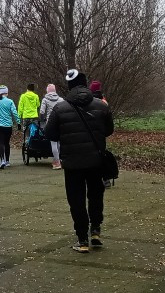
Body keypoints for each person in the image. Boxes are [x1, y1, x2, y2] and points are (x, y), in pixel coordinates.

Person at [45, 69, 115, 253]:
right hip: (96, 160)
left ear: (69, 86)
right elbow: (108, 130)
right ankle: (96, 230)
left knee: (76, 200)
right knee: (96, 195)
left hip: (72, 162)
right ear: (85, 83)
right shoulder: (102, 106)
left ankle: (82, 239)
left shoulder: (60, 108)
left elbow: (50, 134)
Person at [0, 84, 20, 169]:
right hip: (8, 126)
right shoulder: (10, 101)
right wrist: (18, 122)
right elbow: (14, 113)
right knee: (7, 143)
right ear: (6, 93)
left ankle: (2, 160)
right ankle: (7, 161)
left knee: (0, 143)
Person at [39, 82, 62, 169]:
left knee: (53, 142)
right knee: (59, 142)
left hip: (50, 122)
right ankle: (58, 159)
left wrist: (43, 120)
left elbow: (42, 112)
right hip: (60, 122)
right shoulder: (61, 99)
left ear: (47, 91)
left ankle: (57, 162)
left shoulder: (45, 100)